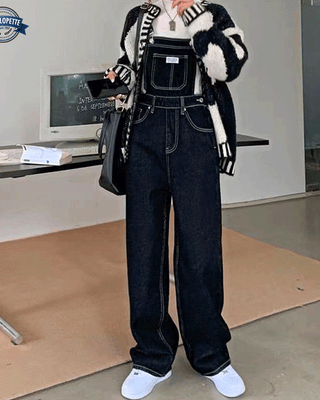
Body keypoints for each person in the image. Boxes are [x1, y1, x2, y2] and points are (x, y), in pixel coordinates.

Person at [105, 0, 248, 398]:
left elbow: (228, 68)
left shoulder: (213, 13)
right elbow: (129, 66)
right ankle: (152, 356)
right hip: (145, 131)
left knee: (201, 248)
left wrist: (197, 21)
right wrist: (118, 76)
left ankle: (211, 355)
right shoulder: (140, 16)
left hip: (196, 131)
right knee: (144, 247)